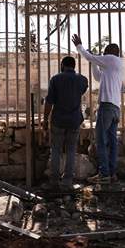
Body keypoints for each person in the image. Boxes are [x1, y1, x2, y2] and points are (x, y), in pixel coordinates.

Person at [72, 34, 123, 185]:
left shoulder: (112, 59)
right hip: (115, 108)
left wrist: (80, 47)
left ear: (109, 52)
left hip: (106, 106)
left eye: (105, 52)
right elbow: (97, 77)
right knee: (112, 141)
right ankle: (112, 173)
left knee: (100, 140)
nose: (104, 55)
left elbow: (89, 57)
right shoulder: (117, 66)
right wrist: (94, 61)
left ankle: (104, 174)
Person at [42, 56, 88, 191]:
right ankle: (67, 181)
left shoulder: (55, 79)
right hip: (74, 120)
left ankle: (54, 181)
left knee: (55, 149)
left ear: (62, 65)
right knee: (71, 150)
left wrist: (45, 119)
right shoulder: (82, 79)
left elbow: (49, 101)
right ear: (74, 66)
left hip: (58, 120)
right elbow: (83, 89)